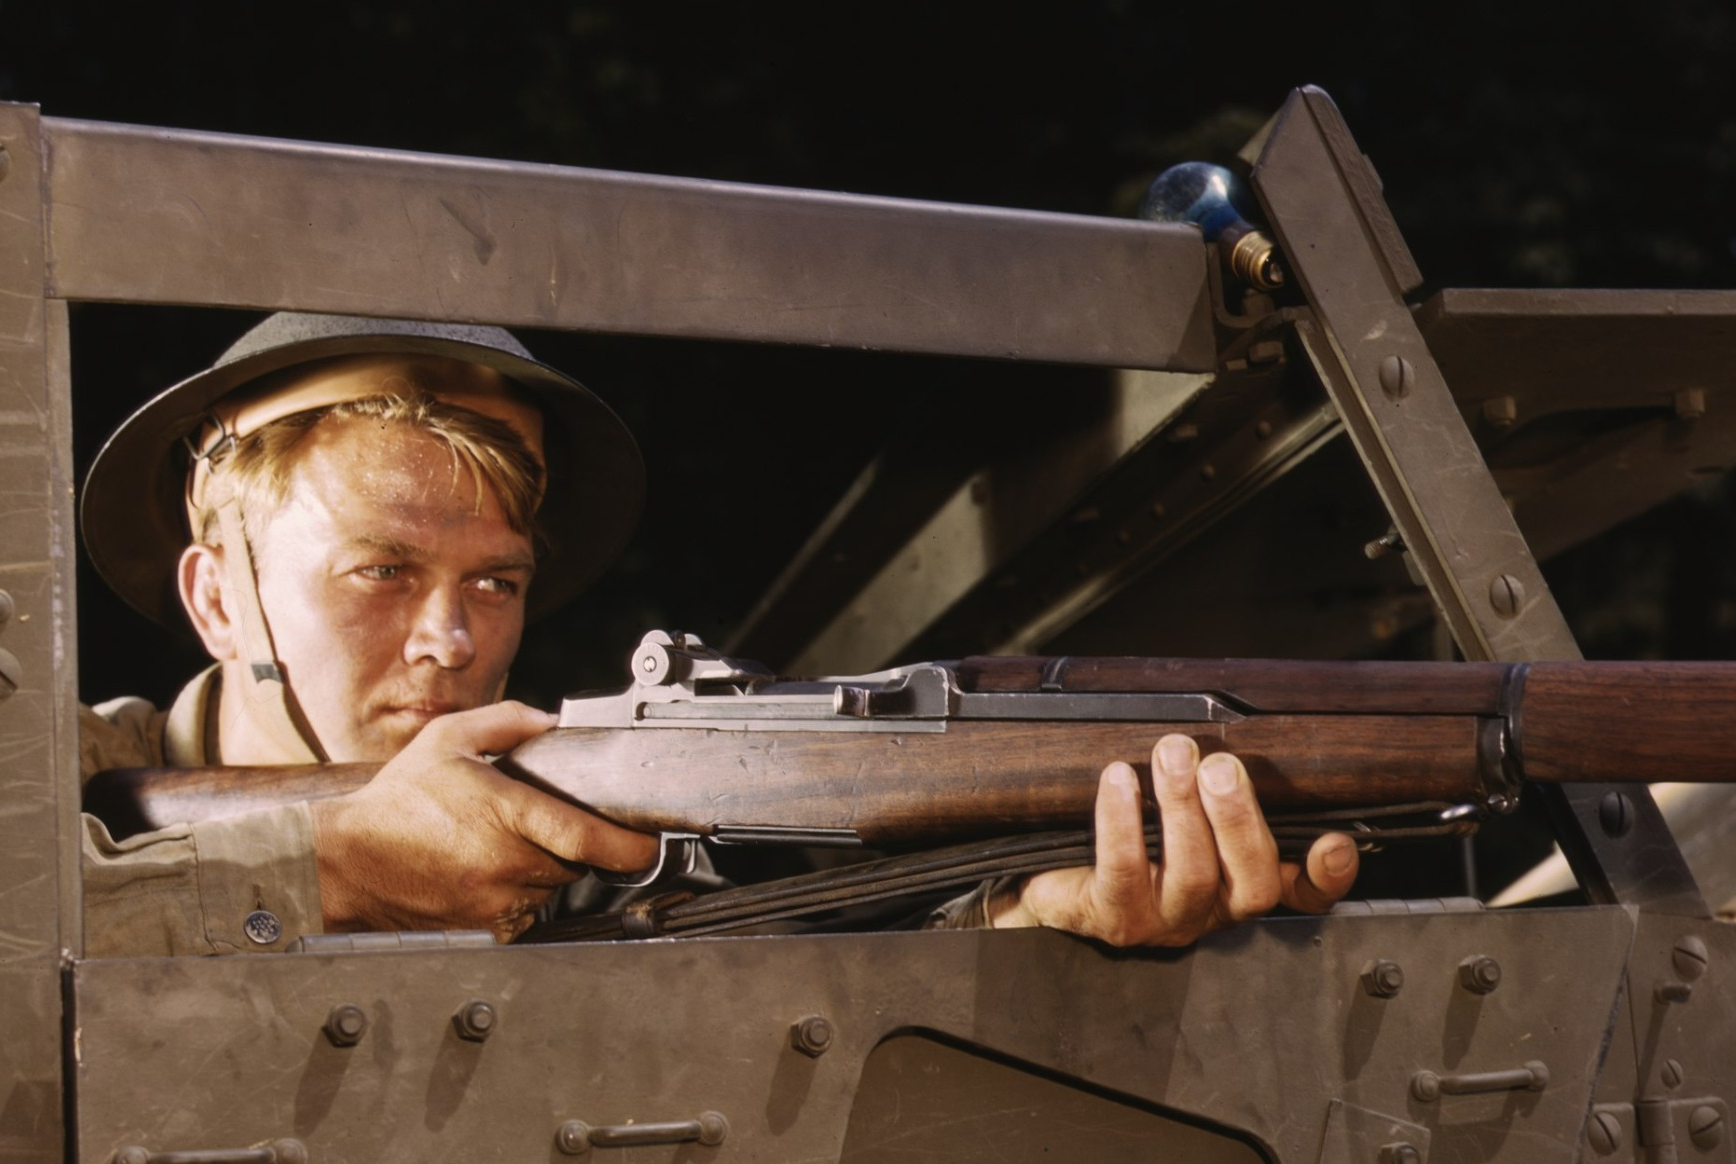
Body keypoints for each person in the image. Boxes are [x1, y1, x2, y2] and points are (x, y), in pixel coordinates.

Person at [78, 314, 1358, 956]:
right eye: (381, 571)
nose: (450, 639)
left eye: (496, 580)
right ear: (219, 598)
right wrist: (326, 870)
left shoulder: (572, 823)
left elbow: (799, 984)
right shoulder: (34, 795)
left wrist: (1032, 930)